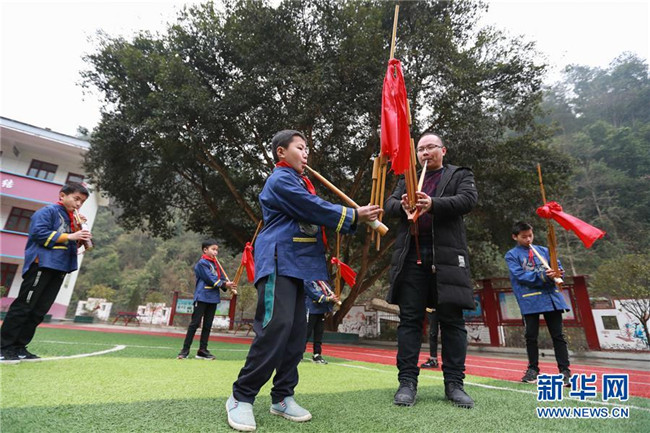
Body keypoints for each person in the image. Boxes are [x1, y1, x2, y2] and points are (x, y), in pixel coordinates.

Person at [226, 130, 382, 432]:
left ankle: (282, 396)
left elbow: (313, 210)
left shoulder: (299, 182)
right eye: (300, 147)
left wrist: (352, 217)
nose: (306, 152)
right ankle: (241, 396)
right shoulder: (280, 180)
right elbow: (312, 208)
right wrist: (354, 215)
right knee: (276, 327)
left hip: (299, 265)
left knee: (297, 333)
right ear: (281, 152)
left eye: (307, 148)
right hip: (278, 260)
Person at [385, 132, 478, 408]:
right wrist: (403, 205)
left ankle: (454, 384)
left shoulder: (459, 174)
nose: (425, 153)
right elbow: (389, 205)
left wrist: (433, 203)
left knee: (452, 320)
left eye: (430, 147)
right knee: (410, 320)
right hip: (411, 255)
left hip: (447, 257)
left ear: (443, 150)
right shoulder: (408, 178)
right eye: (421, 149)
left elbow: (468, 200)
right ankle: (407, 382)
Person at [0, 182, 92, 362]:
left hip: (60, 267)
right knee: (24, 307)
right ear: (62, 195)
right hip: (42, 264)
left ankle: (19, 347)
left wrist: (79, 235)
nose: (78, 204)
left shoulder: (73, 219)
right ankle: (3, 347)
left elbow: (70, 242)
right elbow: (38, 233)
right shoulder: (47, 211)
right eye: (76, 199)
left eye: (82, 201)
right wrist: (71, 236)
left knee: (39, 311)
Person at [505, 221, 571, 386]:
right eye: (524, 237)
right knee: (531, 336)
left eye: (530, 235)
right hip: (530, 299)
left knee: (558, 336)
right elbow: (520, 275)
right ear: (515, 237)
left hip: (551, 298)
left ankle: (565, 371)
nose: (528, 239)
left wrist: (557, 273)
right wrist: (543, 276)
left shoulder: (545, 251)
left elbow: (558, 267)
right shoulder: (512, 255)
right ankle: (533, 370)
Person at [177, 239, 237, 360]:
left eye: (217, 250)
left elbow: (220, 278)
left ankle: (202, 350)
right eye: (213, 249)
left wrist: (228, 285)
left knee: (208, 325)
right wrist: (224, 284)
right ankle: (185, 350)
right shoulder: (202, 263)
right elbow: (210, 278)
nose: (215, 252)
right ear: (205, 250)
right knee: (194, 324)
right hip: (202, 296)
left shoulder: (216, 264)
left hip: (213, 298)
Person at [304, 280, 339, 364]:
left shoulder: (324, 283)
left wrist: (332, 298)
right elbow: (313, 294)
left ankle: (317, 354)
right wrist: (327, 298)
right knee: (306, 333)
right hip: (311, 310)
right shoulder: (307, 281)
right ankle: (298, 353)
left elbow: (328, 293)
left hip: (321, 311)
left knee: (319, 334)